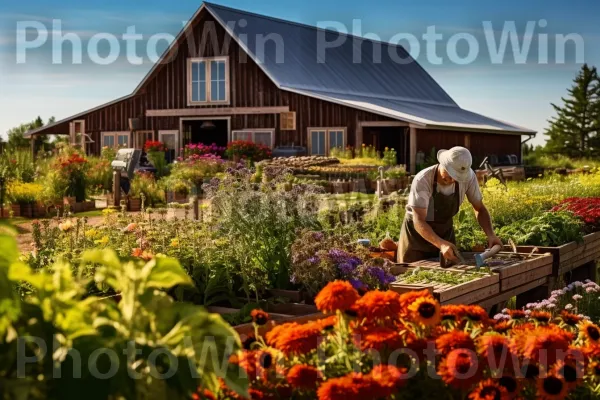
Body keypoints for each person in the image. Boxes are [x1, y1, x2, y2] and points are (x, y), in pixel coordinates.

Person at [397, 147, 502, 263]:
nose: (453, 179)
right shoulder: (423, 180)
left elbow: (479, 208)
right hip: (416, 238)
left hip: (445, 233)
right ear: (443, 163)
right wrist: (440, 244)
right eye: (450, 173)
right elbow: (419, 220)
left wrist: (491, 234)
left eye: (457, 177)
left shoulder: (468, 178)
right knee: (413, 276)